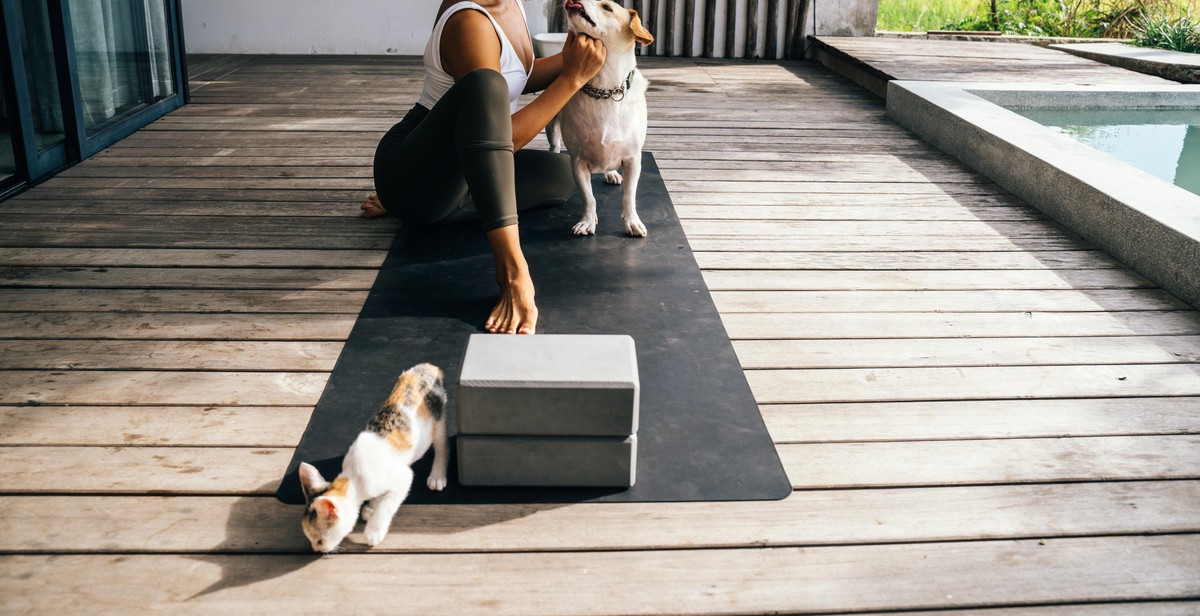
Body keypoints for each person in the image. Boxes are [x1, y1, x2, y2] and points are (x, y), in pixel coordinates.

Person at [363, 0, 606, 335]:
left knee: (564, 176)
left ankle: (431, 202)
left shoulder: (511, 3)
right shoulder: (469, 21)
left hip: (465, 168)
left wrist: (576, 57)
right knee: (484, 84)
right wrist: (571, 79)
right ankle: (511, 271)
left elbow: (520, 74)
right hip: (419, 170)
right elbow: (497, 134)